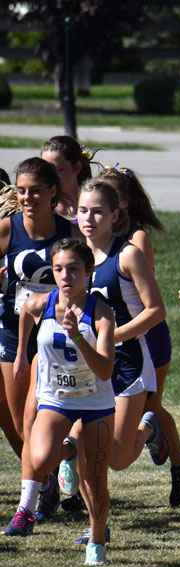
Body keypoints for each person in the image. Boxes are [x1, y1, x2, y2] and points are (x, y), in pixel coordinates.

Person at [3, 238, 116, 566]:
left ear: (89, 271)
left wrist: (78, 337)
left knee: (95, 480)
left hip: (95, 402)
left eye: (73, 269)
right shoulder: (43, 303)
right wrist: (23, 353)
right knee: (39, 458)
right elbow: (25, 310)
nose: (65, 276)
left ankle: (96, 540)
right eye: (58, 269)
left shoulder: (102, 313)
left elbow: (106, 370)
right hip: (57, 399)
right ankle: (70, 450)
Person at [96, 166, 180, 507]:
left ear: (120, 204)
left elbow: (142, 299)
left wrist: (112, 335)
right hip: (113, 338)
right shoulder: (90, 241)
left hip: (145, 337)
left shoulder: (135, 241)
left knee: (150, 407)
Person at [0, 157, 80, 522]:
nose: (28, 197)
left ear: (53, 192)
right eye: (22, 190)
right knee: (20, 426)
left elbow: (89, 281)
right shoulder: (7, 229)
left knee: (37, 423)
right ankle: (47, 479)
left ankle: (30, 502)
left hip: (57, 340)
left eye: (36, 191)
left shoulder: (70, 235)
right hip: (13, 334)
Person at [40, 136, 97, 220]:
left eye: (59, 169)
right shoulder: (40, 207)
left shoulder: (95, 202)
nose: (50, 175)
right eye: (46, 169)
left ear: (77, 168)